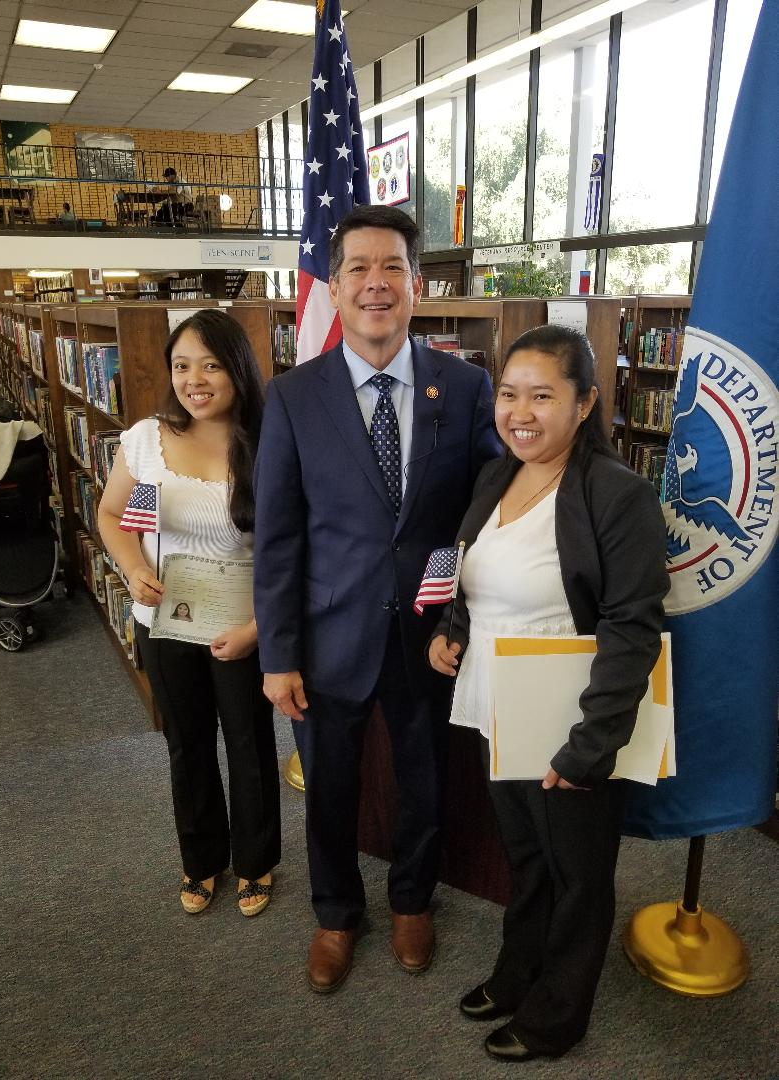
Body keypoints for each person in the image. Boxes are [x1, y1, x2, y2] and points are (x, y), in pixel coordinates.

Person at [253, 205, 502, 992]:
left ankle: (412, 901)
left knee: (427, 775)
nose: (375, 284)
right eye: (358, 268)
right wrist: (279, 653)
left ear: (416, 283)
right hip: (329, 636)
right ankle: (335, 913)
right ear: (335, 286)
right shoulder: (293, 397)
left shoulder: (464, 388)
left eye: (391, 267)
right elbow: (279, 538)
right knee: (328, 784)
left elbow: (489, 512)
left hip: (430, 634)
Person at [428, 324, 668, 1062]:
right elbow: (474, 571)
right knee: (526, 857)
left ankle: (558, 1015)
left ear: (587, 401)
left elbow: (633, 628)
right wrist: (452, 626)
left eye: (542, 395)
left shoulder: (616, 495)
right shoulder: (496, 475)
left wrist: (591, 746)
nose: (519, 411)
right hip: (497, 707)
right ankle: (518, 970)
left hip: (572, 721)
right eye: (507, 394)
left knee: (578, 875)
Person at [98, 309, 281, 917]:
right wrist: (132, 568)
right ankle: (201, 860)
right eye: (181, 365)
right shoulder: (146, 438)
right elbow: (110, 516)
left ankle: (256, 863)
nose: (194, 379)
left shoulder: (269, 437)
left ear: (238, 369)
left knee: (250, 746)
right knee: (189, 745)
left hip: (243, 625)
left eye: (210, 364)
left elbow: (290, 545)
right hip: (165, 619)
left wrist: (261, 628)